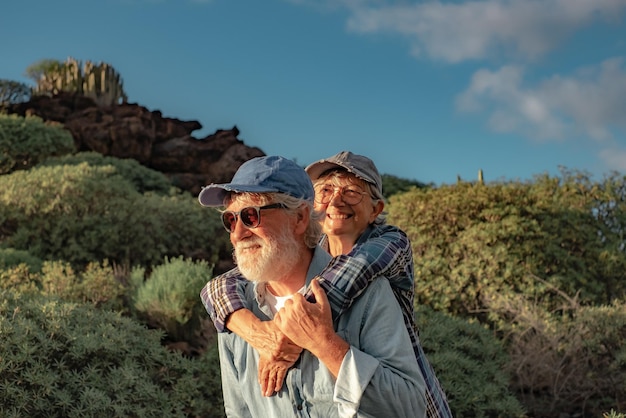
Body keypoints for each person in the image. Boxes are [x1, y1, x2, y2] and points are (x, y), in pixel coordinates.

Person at [201, 151, 452, 417]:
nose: (335, 201)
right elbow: (223, 284)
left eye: (251, 216)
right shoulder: (238, 310)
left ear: (300, 218)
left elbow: (358, 267)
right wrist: (256, 332)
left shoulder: (385, 252)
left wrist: (317, 340)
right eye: (230, 220)